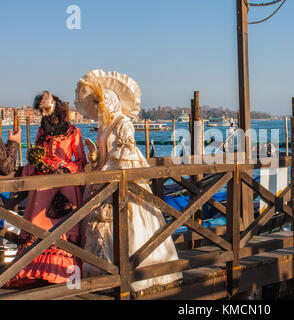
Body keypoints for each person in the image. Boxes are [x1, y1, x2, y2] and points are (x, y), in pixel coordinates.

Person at [75, 70, 182, 293]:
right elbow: (106, 154)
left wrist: (107, 169)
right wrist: (96, 157)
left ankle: (136, 273)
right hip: (105, 180)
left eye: (102, 105)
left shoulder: (124, 123)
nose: (100, 109)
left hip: (124, 181)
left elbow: (126, 154)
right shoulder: (104, 126)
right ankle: (105, 272)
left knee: (132, 224)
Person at [5, 91, 87, 288]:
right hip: (41, 189)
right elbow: (33, 158)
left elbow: (81, 161)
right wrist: (36, 164)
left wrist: (65, 168)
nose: (44, 116)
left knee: (64, 232)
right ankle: (35, 272)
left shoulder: (73, 132)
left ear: (57, 110)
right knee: (38, 229)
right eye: (41, 112)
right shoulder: (42, 132)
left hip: (65, 187)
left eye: (47, 111)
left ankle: (64, 274)